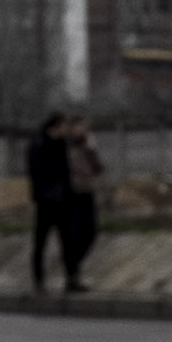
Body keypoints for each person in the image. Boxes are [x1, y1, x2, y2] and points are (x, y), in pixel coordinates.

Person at [27, 108, 105, 295]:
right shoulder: (38, 145)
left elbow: (74, 171)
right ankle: (39, 280)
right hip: (46, 202)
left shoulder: (62, 145)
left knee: (68, 240)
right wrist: (44, 195)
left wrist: (67, 193)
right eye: (63, 127)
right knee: (41, 242)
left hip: (64, 199)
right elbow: (36, 174)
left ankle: (72, 279)